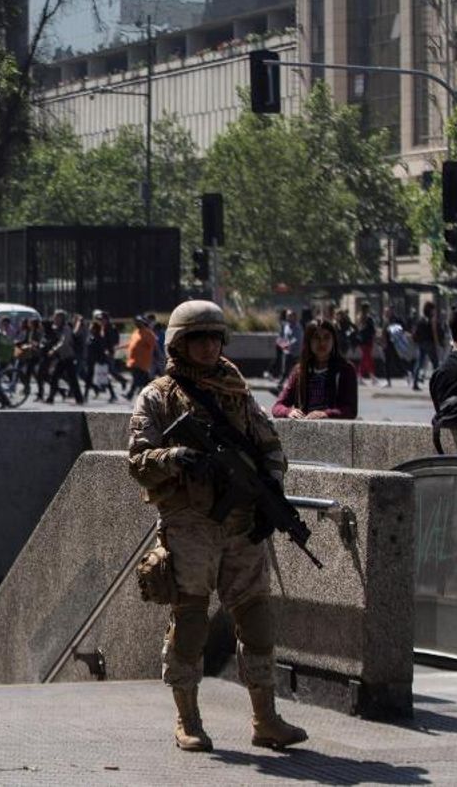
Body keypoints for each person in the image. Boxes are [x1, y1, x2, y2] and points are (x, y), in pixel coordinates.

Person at [127, 300, 307, 753]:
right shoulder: (159, 396)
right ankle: (188, 719)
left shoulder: (237, 393)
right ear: (179, 344)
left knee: (257, 618)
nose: (208, 348)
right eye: (198, 339)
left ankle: (265, 719)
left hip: (241, 521)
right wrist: (173, 458)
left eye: (214, 339)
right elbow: (138, 461)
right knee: (190, 618)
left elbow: (271, 447)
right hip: (190, 522)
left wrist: (272, 493)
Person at [271, 319, 359, 420]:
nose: (322, 342)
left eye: (326, 337)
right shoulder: (299, 371)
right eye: (316, 338)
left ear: (333, 341)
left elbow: (350, 410)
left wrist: (326, 414)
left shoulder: (345, 370)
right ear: (308, 342)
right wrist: (288, 411)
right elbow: (277, 407)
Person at [45, 310, 84, 406]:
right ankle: (50, 398)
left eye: (56, 317)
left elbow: (64, 342)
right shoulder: (58, 328)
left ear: (61, 318)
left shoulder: (66, 328)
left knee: (72, 379)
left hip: (68, 357)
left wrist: (53, 350)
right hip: (62, 357)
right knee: (55, 377)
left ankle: (79, 398)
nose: (54, 319)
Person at [125, 315, 158, 401]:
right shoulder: (136, 332)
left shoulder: (148, 333)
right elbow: (131, 344)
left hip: (143, 362)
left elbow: (154, 346)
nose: (137, 324)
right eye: (136, 322)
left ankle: (131, 394)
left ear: (143, 323)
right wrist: (118, 348)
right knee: (143, 380)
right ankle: (152, 395)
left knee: (139, 379)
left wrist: (157, 357)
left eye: (139, 322)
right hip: (134, 361)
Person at [410, 301, 440, 391]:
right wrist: (437, 343)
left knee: (419, 363)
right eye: (433, 309)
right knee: (435, 363)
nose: (434, 311)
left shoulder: (421, 319)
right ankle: (437, 384)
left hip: (421, 343)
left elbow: (416, 332)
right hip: (429, 343)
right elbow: (434, 332)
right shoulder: (431, 319)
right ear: (430, 310)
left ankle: (415, 383)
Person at [354, 303, 378, 387]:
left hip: (362, 341)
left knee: (365, 359)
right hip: (367, 341)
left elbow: (358, 329)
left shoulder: (360, 318)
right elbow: (372, 330)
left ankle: (361, 377)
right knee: (367, 359)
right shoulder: (368, 319)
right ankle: (371, 377)